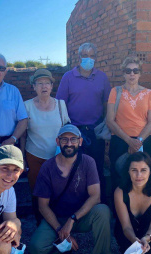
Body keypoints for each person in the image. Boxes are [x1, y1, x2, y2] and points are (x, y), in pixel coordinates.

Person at [28, 124, 111, 254]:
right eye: (64, 139)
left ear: (80, 142)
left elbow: (95, 196)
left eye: (73, 139)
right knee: (36, 248)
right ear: (57, 142)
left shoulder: (88, 162)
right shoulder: (47, 167)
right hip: (56, 217)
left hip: (81, 216)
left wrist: (72, 220)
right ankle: (63, 246)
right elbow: (42, 205)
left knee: (103, 211)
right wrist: (61, 229)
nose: (69, 143)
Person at [55, 42, 111, 202]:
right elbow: (60, 104)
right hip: (74, 132)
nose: (89, 59)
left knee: (97, 169)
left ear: (96, 58)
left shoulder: (102, 77)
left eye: (92, 55)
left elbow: (107, 103)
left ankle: (99, 205)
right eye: (85, 55)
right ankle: (77, 205)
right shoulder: (68, 77)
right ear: (79, 57)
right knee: (75, 169)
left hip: (95, 131)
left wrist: (105, 125)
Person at [20, 69, 70, 224]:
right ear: (33, 86)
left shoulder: (61, 105)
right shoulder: (26, 106)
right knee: (37, 193)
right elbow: (23, 133)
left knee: (58, 191)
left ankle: (58, 226)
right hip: (35, 157)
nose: (44, 86)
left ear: (51, 86)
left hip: (57, 157)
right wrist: (22, 156)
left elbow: (66, 129)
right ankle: (40, 225)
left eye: (47, 83)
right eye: (40, 83)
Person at [106, 56, 151, 204]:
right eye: (128, 71)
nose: (132, 74)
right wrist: (129, 141)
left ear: (140, 73)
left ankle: (139, 211)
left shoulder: (149, 94)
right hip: (120, 141)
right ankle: (118, 214)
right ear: (124, 73)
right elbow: (110, 120)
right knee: (120, 177)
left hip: (143, 141)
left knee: (142, 179)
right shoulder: (115, 91)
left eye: (135, 71)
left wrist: (138, 141)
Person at [114, 152, 151, 254]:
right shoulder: (120, 191)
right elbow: (126, 227)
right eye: (134, 170)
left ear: (150, 171)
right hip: (128, 232)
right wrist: (134, 240)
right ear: (128, 172)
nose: (139, 175)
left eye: (143, 170)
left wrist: (145, 239)